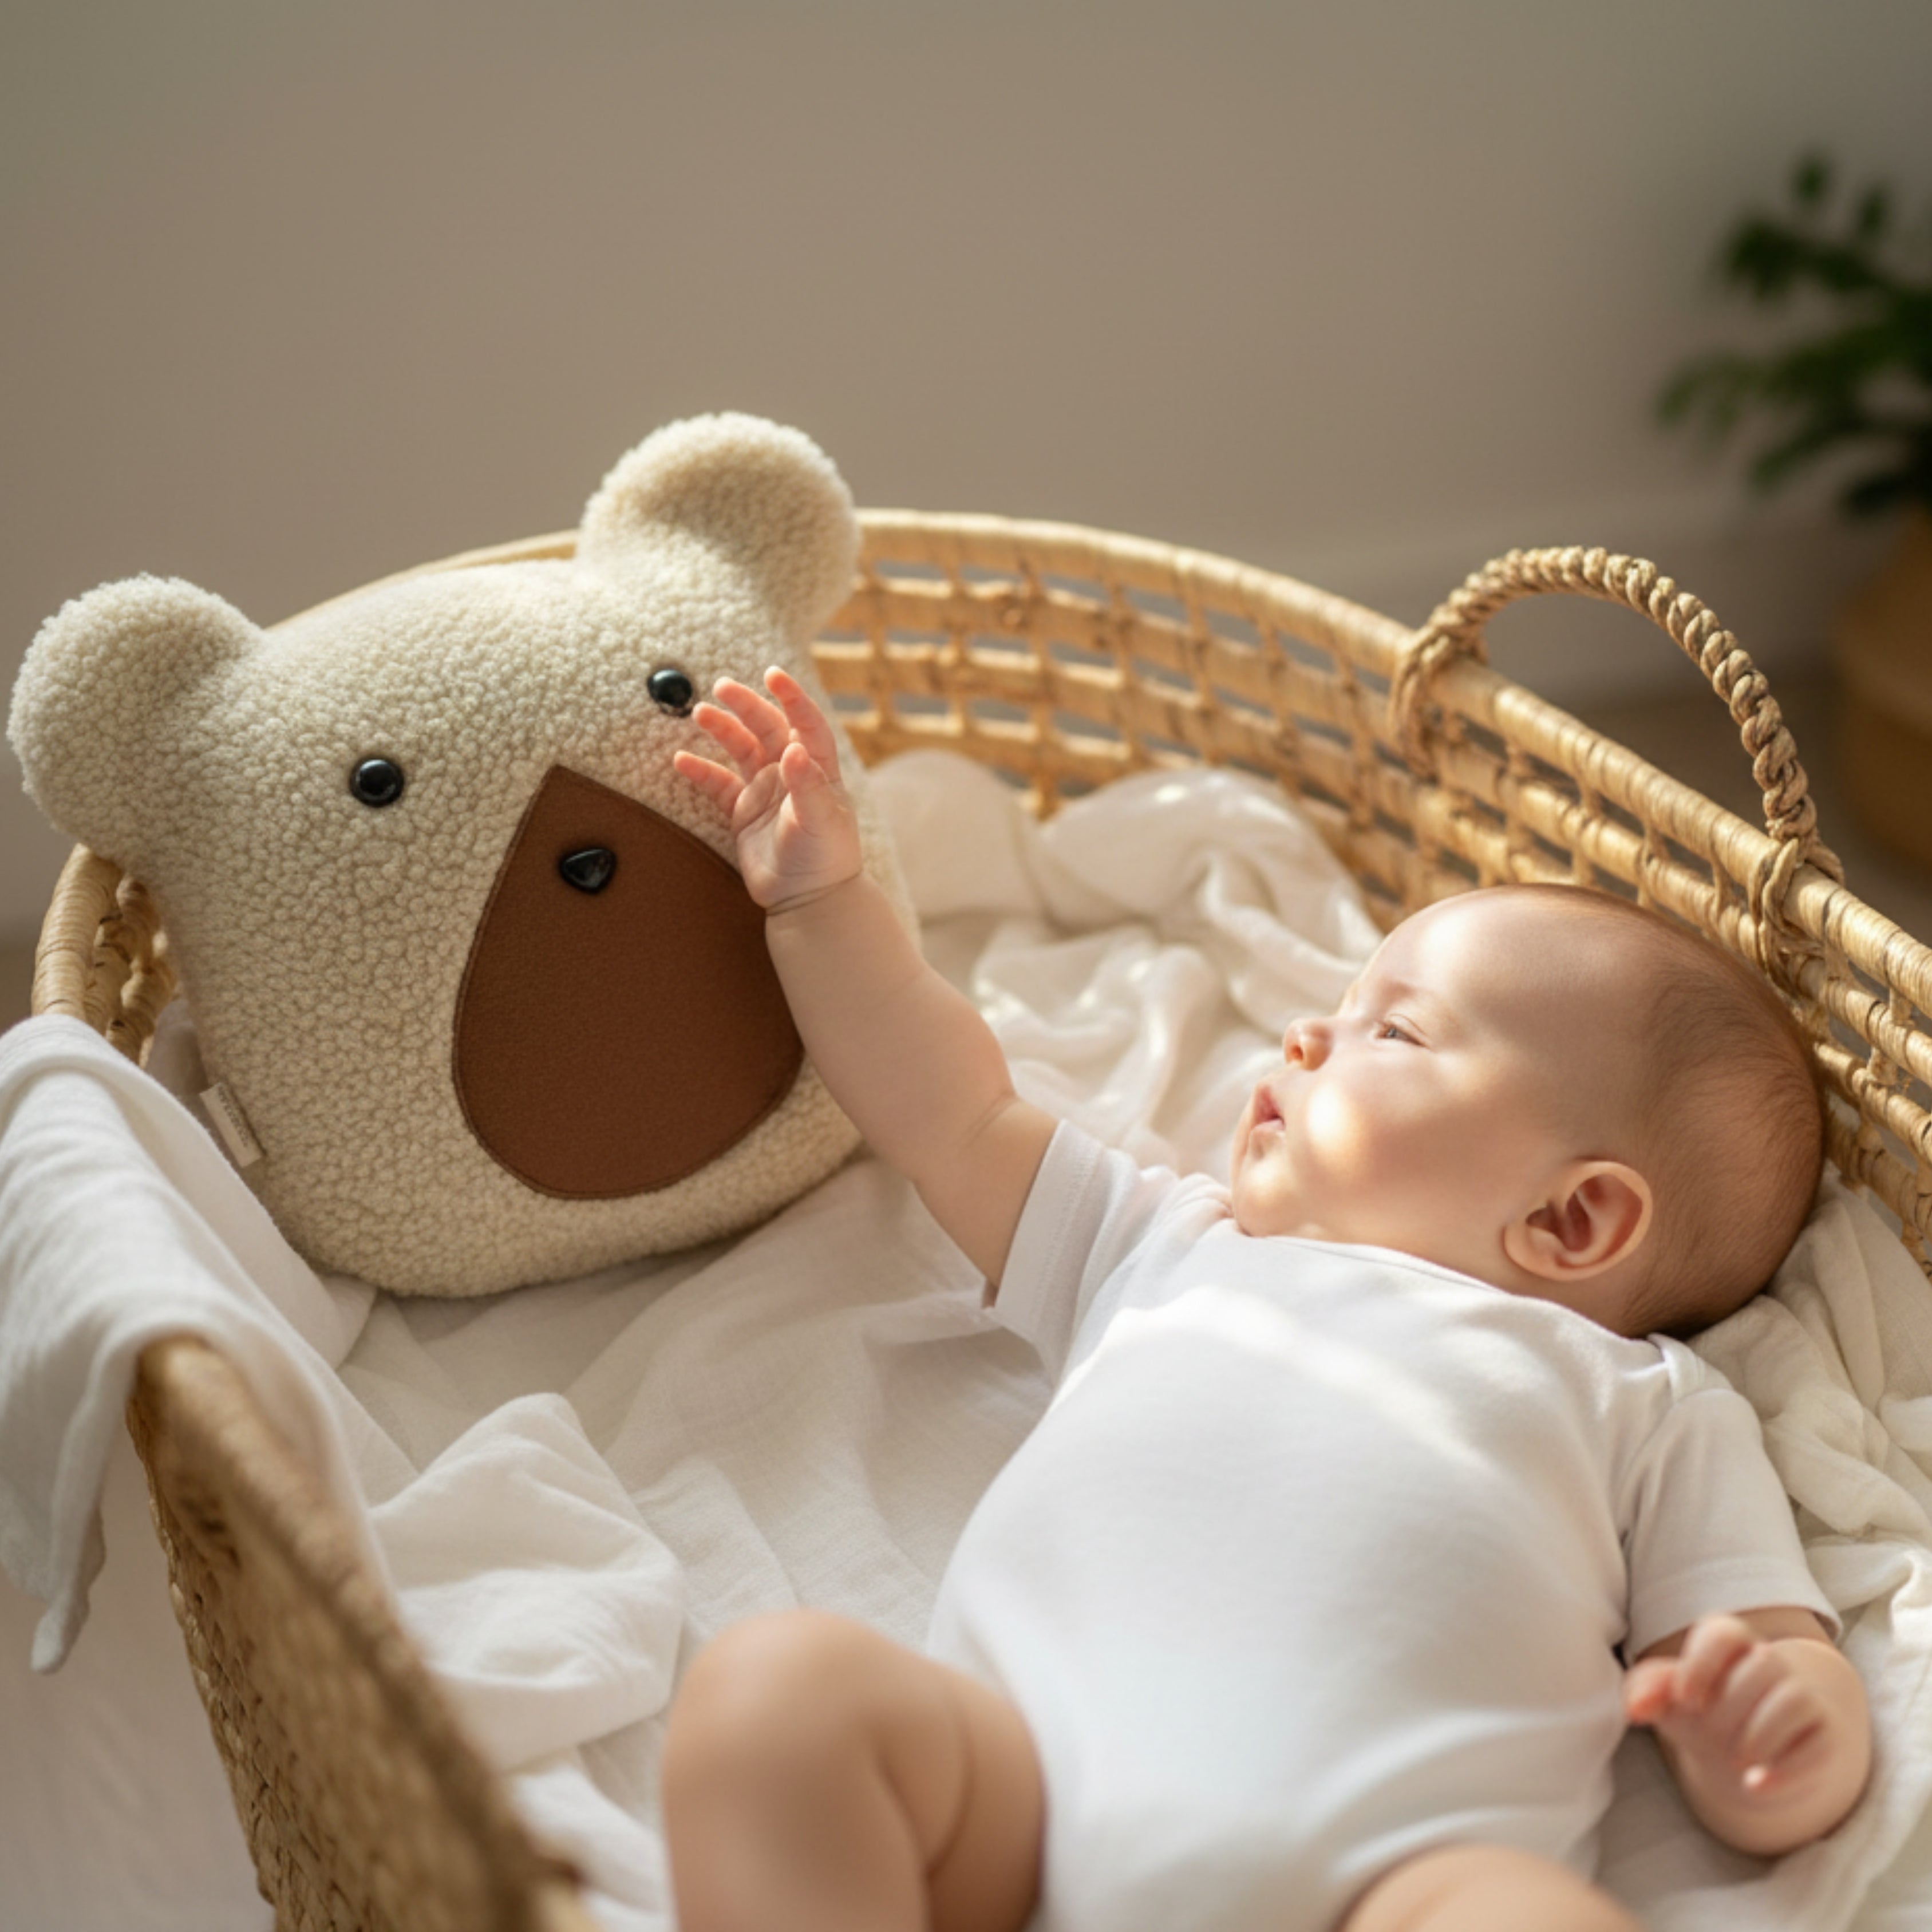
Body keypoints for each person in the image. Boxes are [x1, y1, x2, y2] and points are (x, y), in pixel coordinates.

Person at [662, 668, 1872, 1932]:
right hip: (1015, 1814)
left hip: (1393, 1879)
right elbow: (949, 1111)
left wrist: (1779, 1736)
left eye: (1394, 1033)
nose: (1303, 1034)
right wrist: (820, 905)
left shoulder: (1649, 1406)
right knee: (777, 1691)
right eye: (1340, 1007)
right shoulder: (1161, 1245)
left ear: (1571, 1221)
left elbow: (1767, 1640)